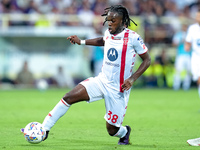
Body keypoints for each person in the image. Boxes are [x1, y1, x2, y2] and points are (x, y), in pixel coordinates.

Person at [21, 5, 151, 145]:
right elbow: (103, 40)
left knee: (112, 130)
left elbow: (147, 60)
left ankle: (125, 132)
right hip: (101, 81)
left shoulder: (133, 38)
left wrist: (132, 79)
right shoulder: (108, 33)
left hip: (118, 89)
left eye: (113, 21)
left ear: (123, 21)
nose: (110, 23)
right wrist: (81, 42)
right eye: (108, 20)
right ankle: (45, 129)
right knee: (69, 97)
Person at [185, 9, 200, 146]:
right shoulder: (193, 28)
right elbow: (188, 42)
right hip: (196, 60)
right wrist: (187, 45)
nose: (197, 18)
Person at [173, 24, 191, 91]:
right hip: (180, 55)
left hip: (188, 54)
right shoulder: (179, 34)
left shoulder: (189, 35)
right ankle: (176, 85)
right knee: (178, 70)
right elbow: (174, 43)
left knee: (188, 71)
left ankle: (186, 86)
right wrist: (181, 40)